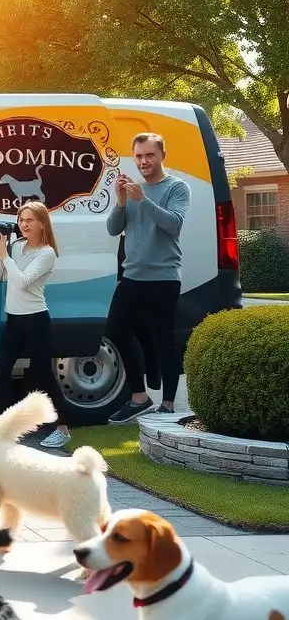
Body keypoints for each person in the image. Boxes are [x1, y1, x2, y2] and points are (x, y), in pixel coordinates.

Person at [103, 132, 190, 425]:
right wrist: (123, 201)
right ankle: (140, 398)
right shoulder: (133, 190)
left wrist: (144, 200)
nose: (143, 161)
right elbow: (114, 229)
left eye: (149, 155)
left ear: (162, 155)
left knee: (164, 340)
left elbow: (173, 224)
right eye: (139, 156)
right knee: (114, 330)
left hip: (164, 278)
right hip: (132, 277)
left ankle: (167, 404)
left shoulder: (177, 187)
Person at [0, 202, 70, 448]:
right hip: (14, 318)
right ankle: (0, 426)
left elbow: (23, 281)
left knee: (42, 376)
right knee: (2, 370)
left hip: (36, 319)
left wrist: (5, 255)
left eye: (30, 220)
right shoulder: (17, 247)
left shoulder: (46, 253)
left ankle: (62, 429)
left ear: (42, 224)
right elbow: (0, 276)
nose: (23, 224)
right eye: (21, 220)